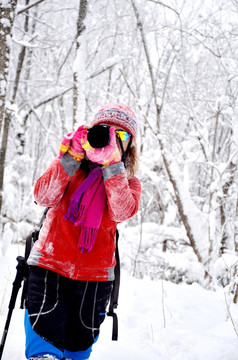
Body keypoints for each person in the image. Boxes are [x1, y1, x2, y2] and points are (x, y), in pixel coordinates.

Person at [24, 103, 142, 360]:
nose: (112, 138)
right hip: (48, 268)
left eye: (121, 135)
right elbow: (43, 196)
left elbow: (121, 211)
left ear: (130, 146)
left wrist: (111, 165)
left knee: (76, 354)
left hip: (94, 282)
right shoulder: (72, 167)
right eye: (105, 130)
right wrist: (71, 156)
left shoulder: (130, 184)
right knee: (43, 353)